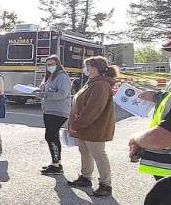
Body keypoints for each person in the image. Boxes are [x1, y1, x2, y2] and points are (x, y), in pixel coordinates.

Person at [66, 56, 118, 197]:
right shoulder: (92, 82)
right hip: (85, 128)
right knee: (85, 152)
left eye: (89, 67)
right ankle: (85, 177)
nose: (86, 69)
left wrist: (77, 124)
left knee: (99, 155)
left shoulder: (100, 85)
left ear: (97, 69)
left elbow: (93, 109)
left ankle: (105, 184)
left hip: (95, 128)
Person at [38, 55, 72, 175]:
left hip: (59, 111)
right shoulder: (50, 76)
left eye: (52, 64)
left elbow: (63, 94)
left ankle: (56, 164)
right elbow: (46, 89)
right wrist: (40, 90)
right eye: (48, 64)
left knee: (51, 136)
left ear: (57, 64)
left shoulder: (62, 76)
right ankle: (56, 163)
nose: (50, 66)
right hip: (49, 110)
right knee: (52, 136)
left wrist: (45, 94)